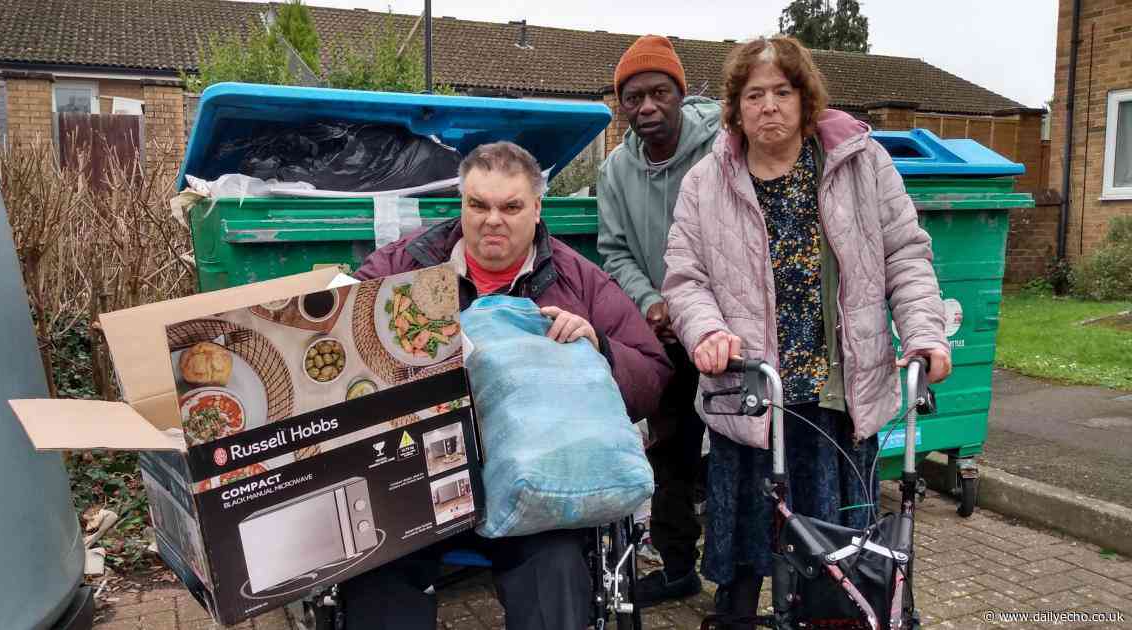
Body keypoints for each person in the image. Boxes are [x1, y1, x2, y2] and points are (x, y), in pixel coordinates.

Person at [661, 36, 951, 628]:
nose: (768, 106)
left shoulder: (862, 164)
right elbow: (685, 278)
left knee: (838, 567)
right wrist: (707, 333)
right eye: (754, 94)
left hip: (835, 395)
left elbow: (906, 255)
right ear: (736, 107)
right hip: (751, 395)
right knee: (742, 560)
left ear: (805, 98)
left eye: (782, 92)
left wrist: (923, 334)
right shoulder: (704, 181)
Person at [343, 141, 672, 630]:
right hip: (419, 482)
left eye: (510, 207)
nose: (492, 220)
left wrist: (598, 345)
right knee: (371, 572)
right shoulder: (403, 268)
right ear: (461, 205)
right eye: (478, 205)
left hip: (538, 486)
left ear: (537, 209)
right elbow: (344, 338)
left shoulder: (579, 281)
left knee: (558, 569)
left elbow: (652, 372)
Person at [596, 33, 720, 606]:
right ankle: (676, 567)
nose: (646, 107)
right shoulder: (616, 171)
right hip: (664, 332)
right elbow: (615, 250)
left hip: (728, 327)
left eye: (659, 93)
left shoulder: (722, 148)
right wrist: (651, 303)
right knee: (670, 449)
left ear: (681, 93)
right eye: (633, 97)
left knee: (743, 450)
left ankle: (744, 575)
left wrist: (700, 307)